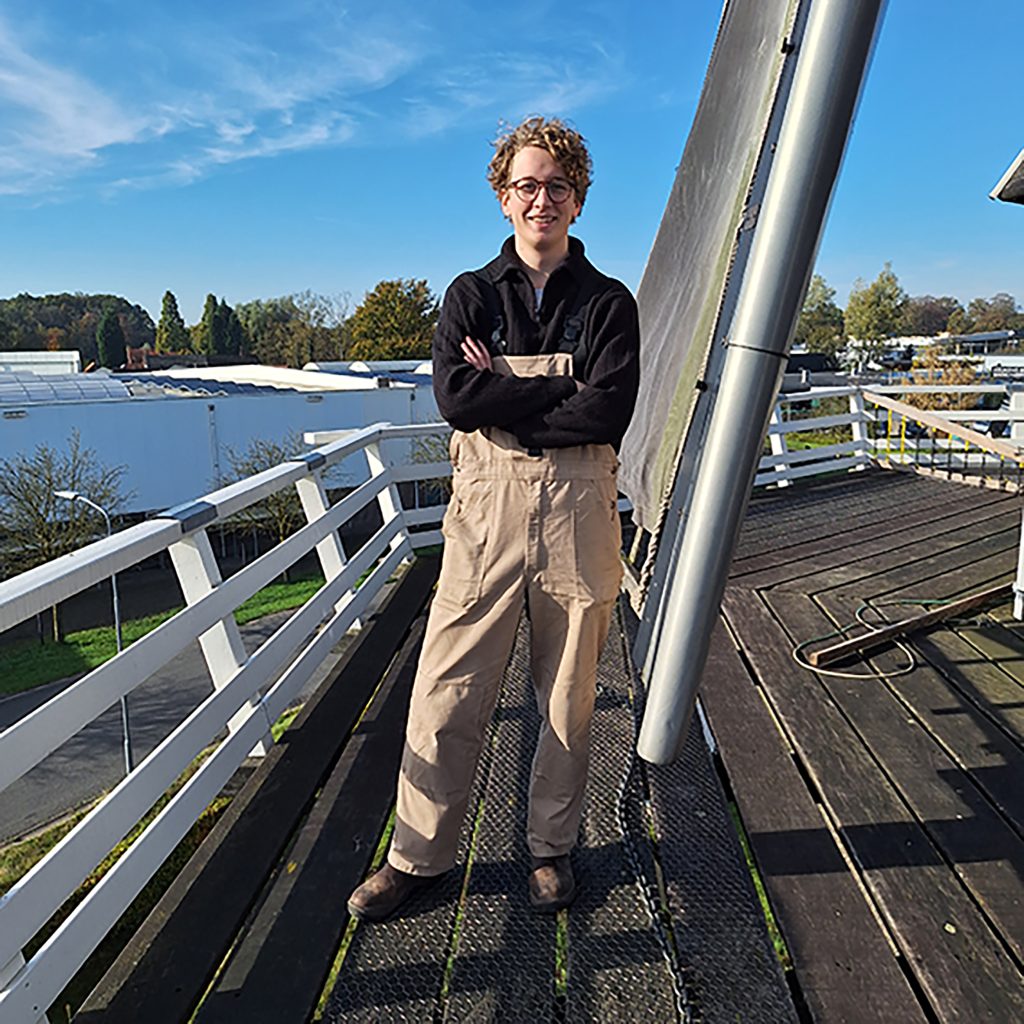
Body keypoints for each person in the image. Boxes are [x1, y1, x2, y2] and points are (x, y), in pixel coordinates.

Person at [348, 115, 640, 921]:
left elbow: (607, 412)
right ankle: (417, 856)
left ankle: (551, 848)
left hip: (579, 511)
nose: (542, 200)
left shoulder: (609, 303)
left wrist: (505, 395)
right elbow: (457, 399)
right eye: (526, 186)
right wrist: (560, 387)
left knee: (569, 693)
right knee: (447, 686)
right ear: (503, 197)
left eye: (557, 186)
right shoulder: (471, 295)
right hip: (487, 511)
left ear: (578, 199)